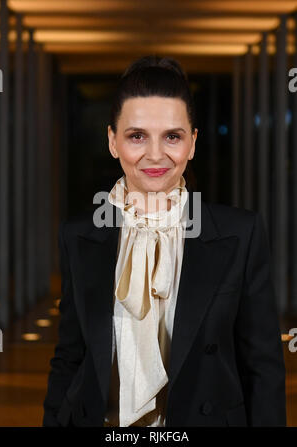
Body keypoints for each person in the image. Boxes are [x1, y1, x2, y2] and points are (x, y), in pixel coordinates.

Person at [43, 55, 286, 427]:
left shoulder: (241, 232)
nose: (155, 155)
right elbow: (69, 359)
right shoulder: (79, 235)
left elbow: (263, 367)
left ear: (192, 143)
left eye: (172, 136)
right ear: (112, 141)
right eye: (136, 136)